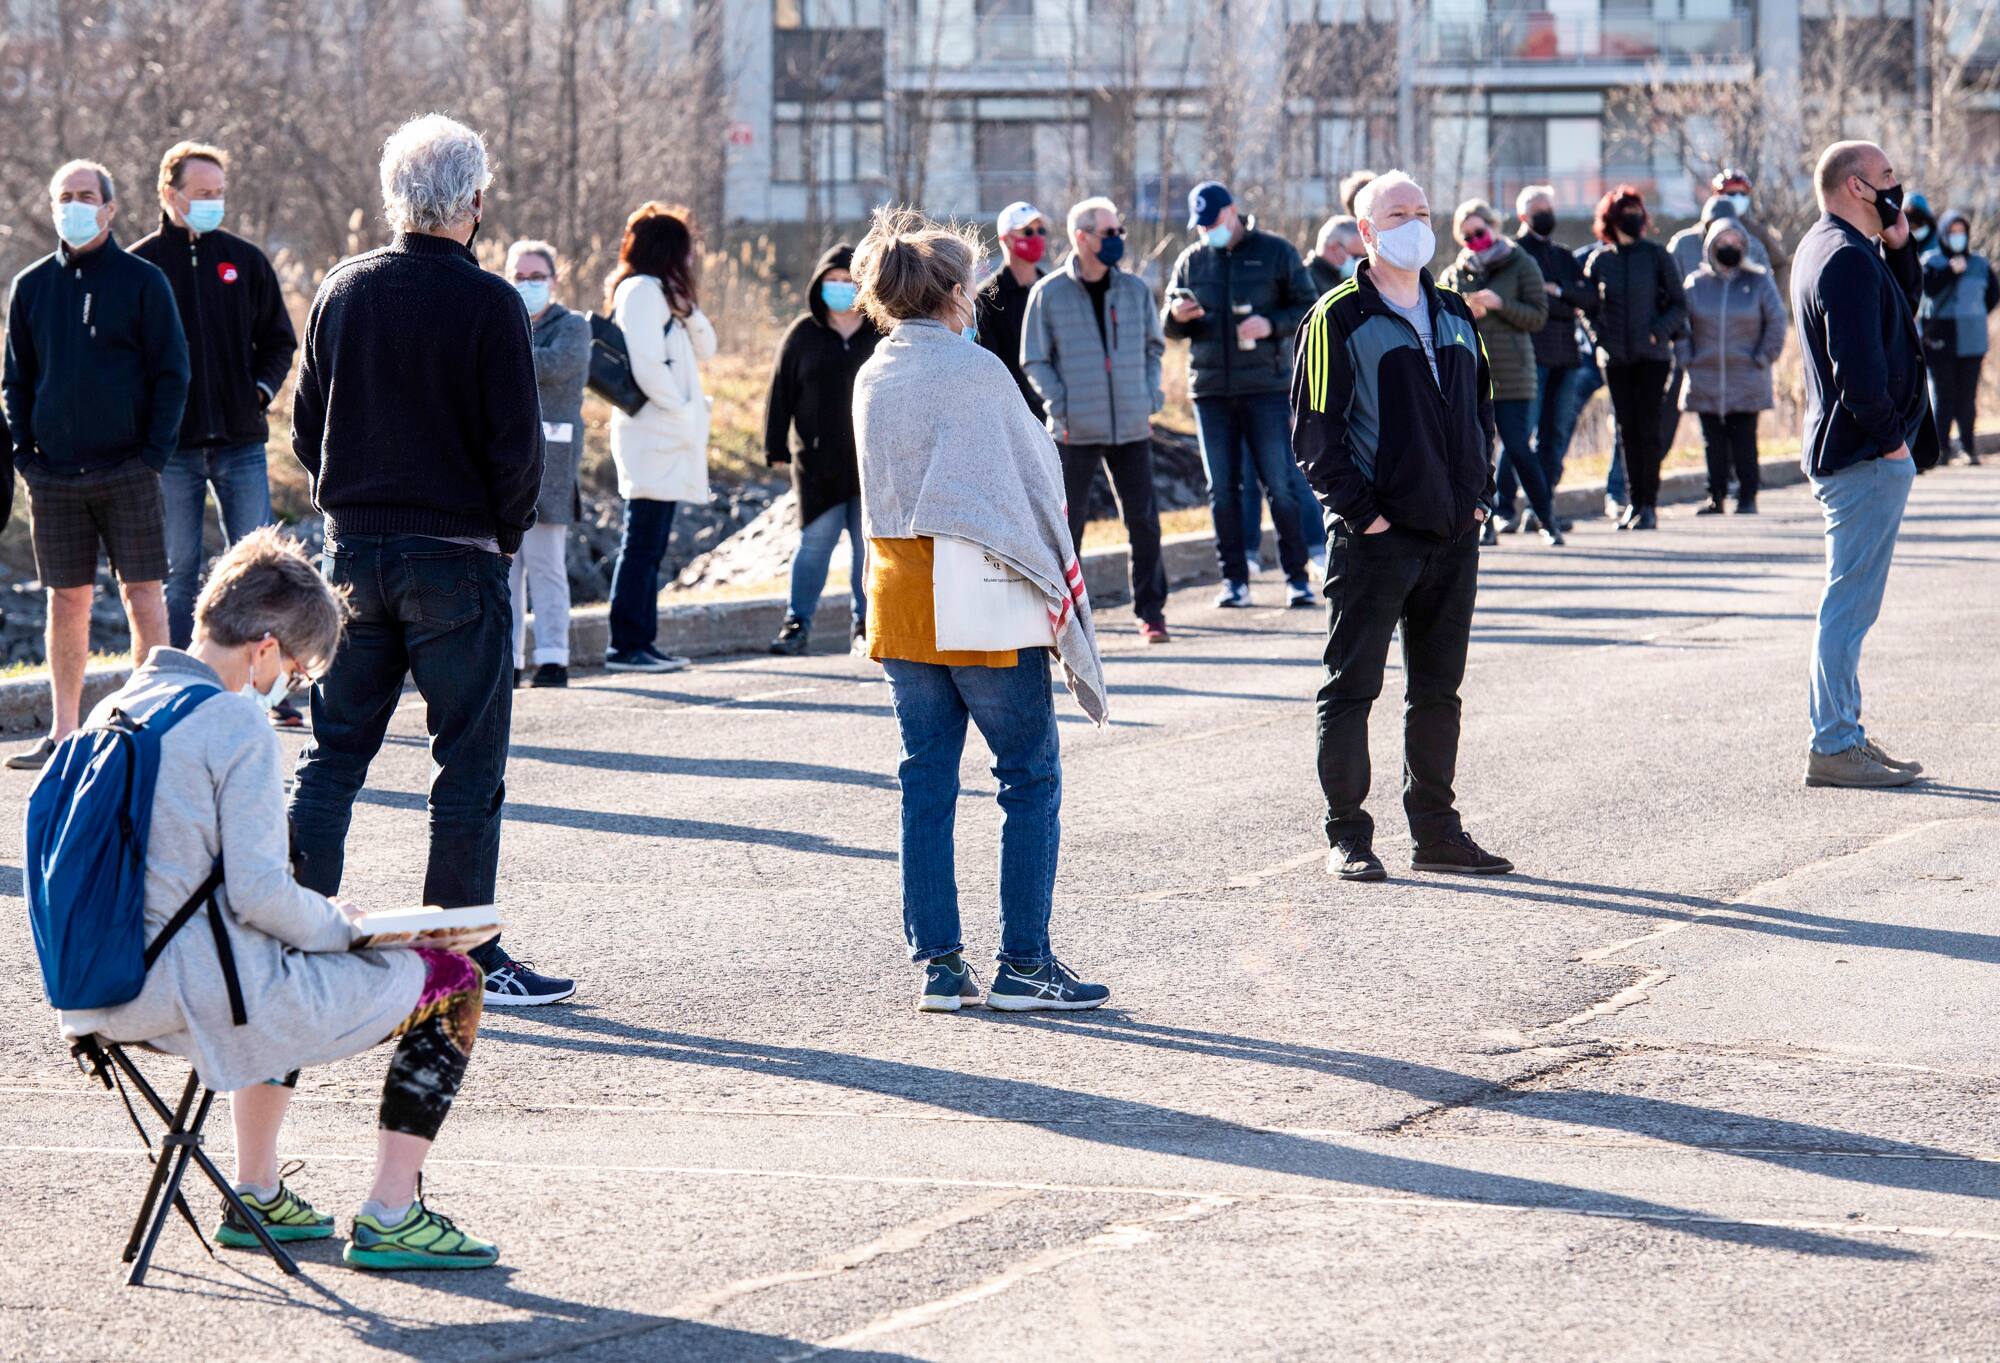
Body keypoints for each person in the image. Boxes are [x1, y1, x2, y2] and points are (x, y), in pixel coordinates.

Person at [58, 529, 498, 1270]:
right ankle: (393, 1212)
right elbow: (260, 893)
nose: (289, 683)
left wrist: (318, 925)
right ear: (264, 647)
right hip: (197, 995)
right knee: (454, 981)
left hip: (98, 989)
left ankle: (255, 1189)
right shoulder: (233, 722)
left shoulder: (119, 707)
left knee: (293, 941)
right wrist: (349, 928)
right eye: (295, 668)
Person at [288, 114, 574, 1008]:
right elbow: (515, 450)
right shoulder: (491, 303)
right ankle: (461, 956)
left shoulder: (342, 289)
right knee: (469, 762)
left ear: (393, 198)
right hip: (458, 553)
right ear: (476, 202)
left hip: (353, 554)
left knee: (334, 754)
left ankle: (292, 931)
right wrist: (506, 533)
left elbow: (306, 426)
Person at [849, 206, 1111, 1014]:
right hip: (978, 590)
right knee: (1028, 774)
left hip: (899, 591)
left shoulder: (872, 372)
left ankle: (939, 965)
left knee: (926, 779)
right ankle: (1025, 963)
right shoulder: (977, 372)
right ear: (956, 292)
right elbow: (1032, 477)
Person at [1292, 169, 1512, 883]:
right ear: (1365, 230)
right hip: (1376, 543)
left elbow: (1482, 412)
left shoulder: (1453, 311)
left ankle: (1437, 830)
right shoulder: (1336, 317)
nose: (1412, 222)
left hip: (1454, 534)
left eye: (1420, 210)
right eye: (1395, 213)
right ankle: (1348, 833)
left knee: (1438, 690)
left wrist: (1478, 498)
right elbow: (1314, 436)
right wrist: (1369, 517)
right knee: (1352, 687)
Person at [2, 159, 188, 772]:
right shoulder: (30, 286)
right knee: (67, 601)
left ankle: (148, 726)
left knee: (143, 596)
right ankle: (63, 732)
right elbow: (18, 381)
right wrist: (26, 454)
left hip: (128, 469)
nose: (75, 205)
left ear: (110, 208)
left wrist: (152, 455)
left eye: (87, 196)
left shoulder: (142, 281)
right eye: (65, 196)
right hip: (53, 476)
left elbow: (171, 373)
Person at [130, 142, 299, 729]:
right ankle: (185, 695)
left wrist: (257, 390)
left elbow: (280, 340)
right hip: (173, 452)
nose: (212, 203)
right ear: (169, 193)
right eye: (202, 194)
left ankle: (271, 693)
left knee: (260, 571)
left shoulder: (244, 261)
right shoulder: (140, 267)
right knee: (179, 573)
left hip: (241, 443)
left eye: (219, 193)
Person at [1792, 140, 1936, 789]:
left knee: (1850, 603)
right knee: (1848, 606)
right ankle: (1833, 742)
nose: (1895, 187)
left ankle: (1844, 731)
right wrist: (1891, 444)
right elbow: (1859, 372)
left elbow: (1900, 313)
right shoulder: (1845, 259)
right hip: (1863, 455)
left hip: (1857, 454)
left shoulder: (1837, 248)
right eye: (1886, 179)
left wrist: (1901, 245)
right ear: (1856, 187)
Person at [1163, 180, 1321, 608]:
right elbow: (1170, 325)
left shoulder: (1275, 251)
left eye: (1212, 222)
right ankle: (1234, 581)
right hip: (1210, 391)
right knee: (1222, 489)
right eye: (1199, 225)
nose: (1205, 231)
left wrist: (1270, 325)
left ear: (1232, 211)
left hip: (1266, 389)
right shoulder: (1191, 260)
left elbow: (1308, 307)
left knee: (1281, 483)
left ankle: (1297, 577)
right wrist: (1177, 316)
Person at [1021, 196, 1170, 642]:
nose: (1118, 239)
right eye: (1110, 233)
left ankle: (1151, 612)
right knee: (1069, 528)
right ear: (1082, 237)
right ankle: (1070, 623)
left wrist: (1149, 396)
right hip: (1073, 430)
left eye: (1119, 231)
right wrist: (1061, 405)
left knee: (1143, 520)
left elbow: (1153, 348)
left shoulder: (1135, 289)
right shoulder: (1048, 294)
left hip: (1131, 425)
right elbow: (1035, 359)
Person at [603, 202, 717, 674]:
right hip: (655, 434)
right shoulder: (641, 292)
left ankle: (640, 641)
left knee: (649, 542)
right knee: (642, 542)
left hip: (665, 434)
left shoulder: (659, 293)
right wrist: (680, 408)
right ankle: (627, 644)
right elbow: (648, 364)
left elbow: (707, 347)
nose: (691, 260)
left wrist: (688, 311)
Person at [765, 242, 881, 656]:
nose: (840, 288)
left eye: (848, 281)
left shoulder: (880, 330)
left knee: (868, 548)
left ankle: (868, 625)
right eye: (831, 281)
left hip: (871, 463)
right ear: (818, 285)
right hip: (816, 465)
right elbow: (780, 393)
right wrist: (774, 445)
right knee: (815, 543)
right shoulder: (803, 333)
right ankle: (796, 624)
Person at [1442, 198, 1557, 546]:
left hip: (1515, 374)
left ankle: (1547, 519)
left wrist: (1500, 305)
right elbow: (1439, 323)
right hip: (1471, 377)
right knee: (1476, 455)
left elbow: (1538, 315)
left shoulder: (1521, 262)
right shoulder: (1453, 272)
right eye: (1467, 236)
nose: (1474, 240)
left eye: (1480, 231)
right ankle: (1483, 525)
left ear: (1493, 227)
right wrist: (1465, 312)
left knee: (1519, 449)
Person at [505, 238, 590, 687]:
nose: (528, 284)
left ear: (554, 281)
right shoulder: (504, 320)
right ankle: (512, 659)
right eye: (519, 276)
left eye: (537, 277)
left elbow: (557, 365)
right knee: (507, 569)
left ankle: (554, 656)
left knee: (547, 564)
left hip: (552, 464)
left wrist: (502, 355)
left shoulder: (572, 326)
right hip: (503, 462)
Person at [1584, 185, 1686, 531]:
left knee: (1649, 429)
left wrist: (1658, 331)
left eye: (1637, 212)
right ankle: (1632, 502)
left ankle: (1649, 504)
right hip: (1616, 359)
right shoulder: (1600, 261)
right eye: (1625, 213)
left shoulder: (1657, 256)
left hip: (1653, 356)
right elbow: (1588, 307)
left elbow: (1678, 303)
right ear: (1610, 220)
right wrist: (1600, 339)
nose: (1633, 219)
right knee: (1626, 431)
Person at [1678, 219, 1787, 516]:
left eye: (1736, 242)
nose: (1730, 248)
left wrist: (1763, 357)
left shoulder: (1759, 281)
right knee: (1712, 441)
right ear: (1711, 246)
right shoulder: (1696, 284)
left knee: (1744, 440)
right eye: (1723, 242)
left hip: (1747, 374)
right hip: (1705, 374)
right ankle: (1715, 495)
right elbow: (1682, 325)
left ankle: (1748, 495)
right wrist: (1687, 357)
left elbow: (1776, 323)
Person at [1514, 185, 1595, 518]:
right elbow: (1533, 306)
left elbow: (1589, 298)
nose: (1547, 215)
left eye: (1549, 208)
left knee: (1555, 434)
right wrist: (1565, 301)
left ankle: (1543, 506)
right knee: (1521, 435)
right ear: (1523, 215)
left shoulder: (1563, 256)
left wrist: (1559, 292)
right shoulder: (1514, 254)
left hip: (1566, 358)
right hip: (1530, 359)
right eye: (1539, 210)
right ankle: (1508, 506)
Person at [1919, 209, 1998, 467]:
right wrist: (1950, 272)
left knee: (1967, 395)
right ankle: (1940, 448)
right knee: (1943, 394)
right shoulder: (1931, 261)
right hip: (1939, 337)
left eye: (1961, 232)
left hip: (1972, 339)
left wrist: (1973, 315)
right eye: (1952, 233)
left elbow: (1992, 297)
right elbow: (1927, 290)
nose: (1957, 237)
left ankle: (1967, 446)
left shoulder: (1980, 264)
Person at [974, 200, 1050, 419]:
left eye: (1040, 230)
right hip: (1014, 415)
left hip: (1058, 415)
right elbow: (990, 365)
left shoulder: (1053, 290)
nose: (1036, 237)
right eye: (1027, 231)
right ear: (1006, 239)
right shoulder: (987, 298)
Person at [1308, 214, 1366, 296]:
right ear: (1334, 247)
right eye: (1355, 256)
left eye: (1362, 257)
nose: (1360, 261)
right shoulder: (1304, 282)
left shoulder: (1347, 280)